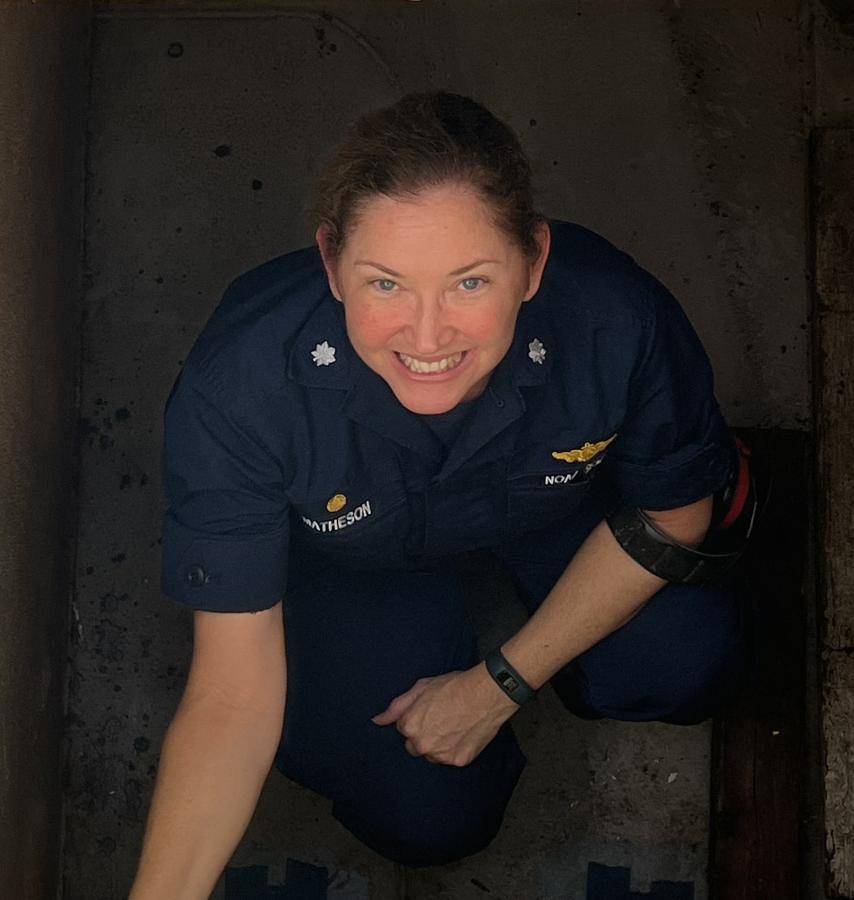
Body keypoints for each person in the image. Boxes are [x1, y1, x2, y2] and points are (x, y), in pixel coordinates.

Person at [129, 91, 751, 898]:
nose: (427, 338)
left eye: (469, 282)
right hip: (355, 567)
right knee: (428, 816)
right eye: (385, 283)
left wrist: (502, 681)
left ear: (532, 262)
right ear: (329, 264)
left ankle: (574, 670)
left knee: (691, 660)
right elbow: (229, 694)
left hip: (553, 513)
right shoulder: (242, 385)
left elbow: (674, 514)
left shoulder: (613, 318)